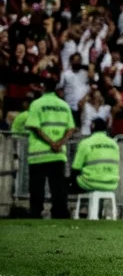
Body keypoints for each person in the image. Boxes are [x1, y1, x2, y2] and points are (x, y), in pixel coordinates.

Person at [25, 89, 76, 219]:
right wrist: (59, 143)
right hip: (58, 154)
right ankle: (60, 213)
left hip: (38, 154)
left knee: (37, 187)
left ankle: (36, 212)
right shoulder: (64, 105)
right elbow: (71, 128)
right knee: (58, 187)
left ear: (43, 89)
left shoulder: (37, 104)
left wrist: (51, 143)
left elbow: (35, 127)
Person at [70, 117, 120, 196]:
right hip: (112, 184)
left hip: (90, 183)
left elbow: (76, 168)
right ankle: (97, 204)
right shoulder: (114, 144)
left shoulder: (85, 143)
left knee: (62, 184)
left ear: (92, 127)